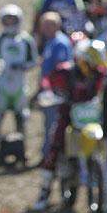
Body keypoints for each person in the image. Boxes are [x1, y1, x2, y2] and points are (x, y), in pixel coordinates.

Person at [33, 39, 107, 212]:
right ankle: (45, 191)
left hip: (92, 117)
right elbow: (47, 83)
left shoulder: (100, 73)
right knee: (55, 145)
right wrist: (49, 94)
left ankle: (100, 188)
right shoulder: (66, 72)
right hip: (69, 114)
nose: (93, 68)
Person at [0, 5, 37, 140]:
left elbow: (33, 61)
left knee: (21, 117)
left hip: (19, 85)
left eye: (12, 20)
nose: (10, 23)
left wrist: (22, 66)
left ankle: (22, 146)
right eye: (7, 20)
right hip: (1, 85)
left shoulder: (26, 40)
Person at [37, 12, 73, 160]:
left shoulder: (60, 43)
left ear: (57, 25)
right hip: (49, 88)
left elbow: (60, 68)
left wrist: (50, 85)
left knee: (53, 124)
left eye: (48, 25)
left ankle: (50, 156)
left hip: (57, 91)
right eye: (43, 25)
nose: (44, 28)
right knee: (48, 123)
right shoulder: (50, 41)